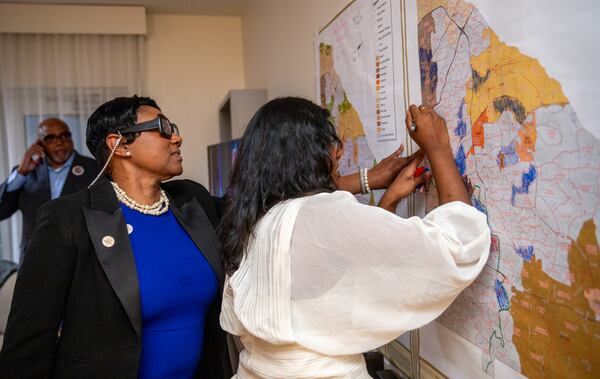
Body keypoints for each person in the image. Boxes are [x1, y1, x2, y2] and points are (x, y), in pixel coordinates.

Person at [0, 95, 413, 379]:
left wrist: (369, 182)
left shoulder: (190, 200)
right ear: (118, 144)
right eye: (162, 127)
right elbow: (28, 342)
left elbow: (268, 204)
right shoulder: (69, 219)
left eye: (174, 127)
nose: (176, 136)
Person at [219, 97, 491, 378]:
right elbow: (458, 245)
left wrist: (389, 199)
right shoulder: (320, 215)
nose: (337, 155)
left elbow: (336, 276)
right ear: (308, 155)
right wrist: (438, 148)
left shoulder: (252, 222)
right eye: (330, 145)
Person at [0, 118, 100, 259]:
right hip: (35, 258)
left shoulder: (95, 168)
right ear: (39, 144)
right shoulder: (26, 173)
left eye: (64, 136)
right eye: (50, 138)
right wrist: (21, 172)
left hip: (82, 258)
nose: (60, 142)